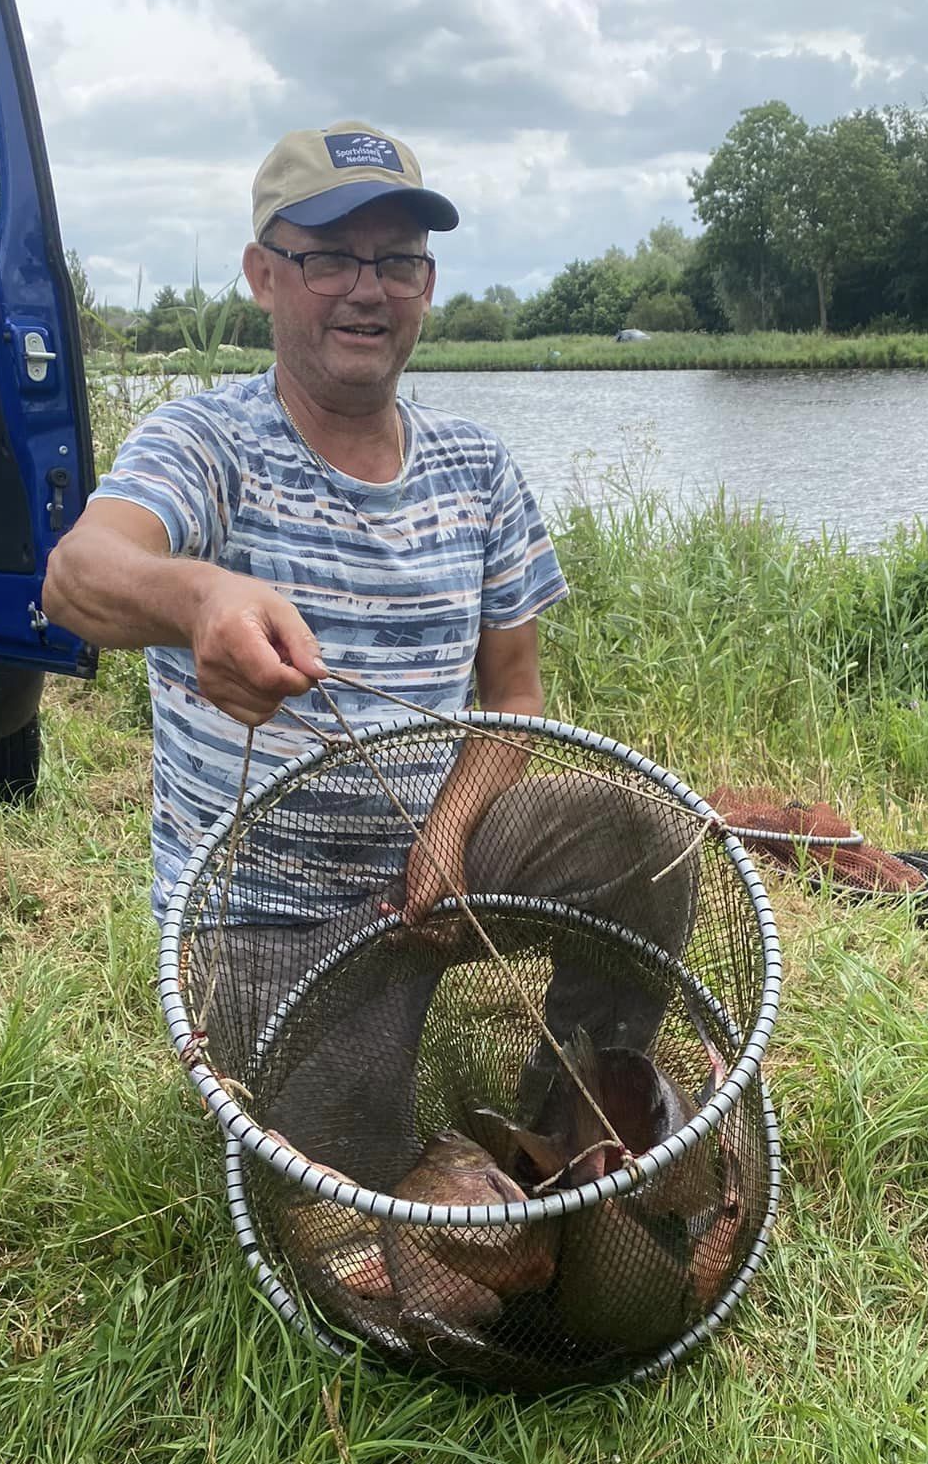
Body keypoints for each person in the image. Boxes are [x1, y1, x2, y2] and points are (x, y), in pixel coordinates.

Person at [43, 120, 697, 1177]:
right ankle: (365, 1117)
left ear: (427, 285)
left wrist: (446, 827)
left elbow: (516, 695)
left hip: (432, 870)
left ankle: (580, 1109)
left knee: (645, 838)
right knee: (364, 1200)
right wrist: (202, 596)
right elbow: (76, 575)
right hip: (268, 920)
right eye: (331, 258)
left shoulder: (477, 468)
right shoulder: (205, 443)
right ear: (264, 275)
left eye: (396, 261)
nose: (366, 289)